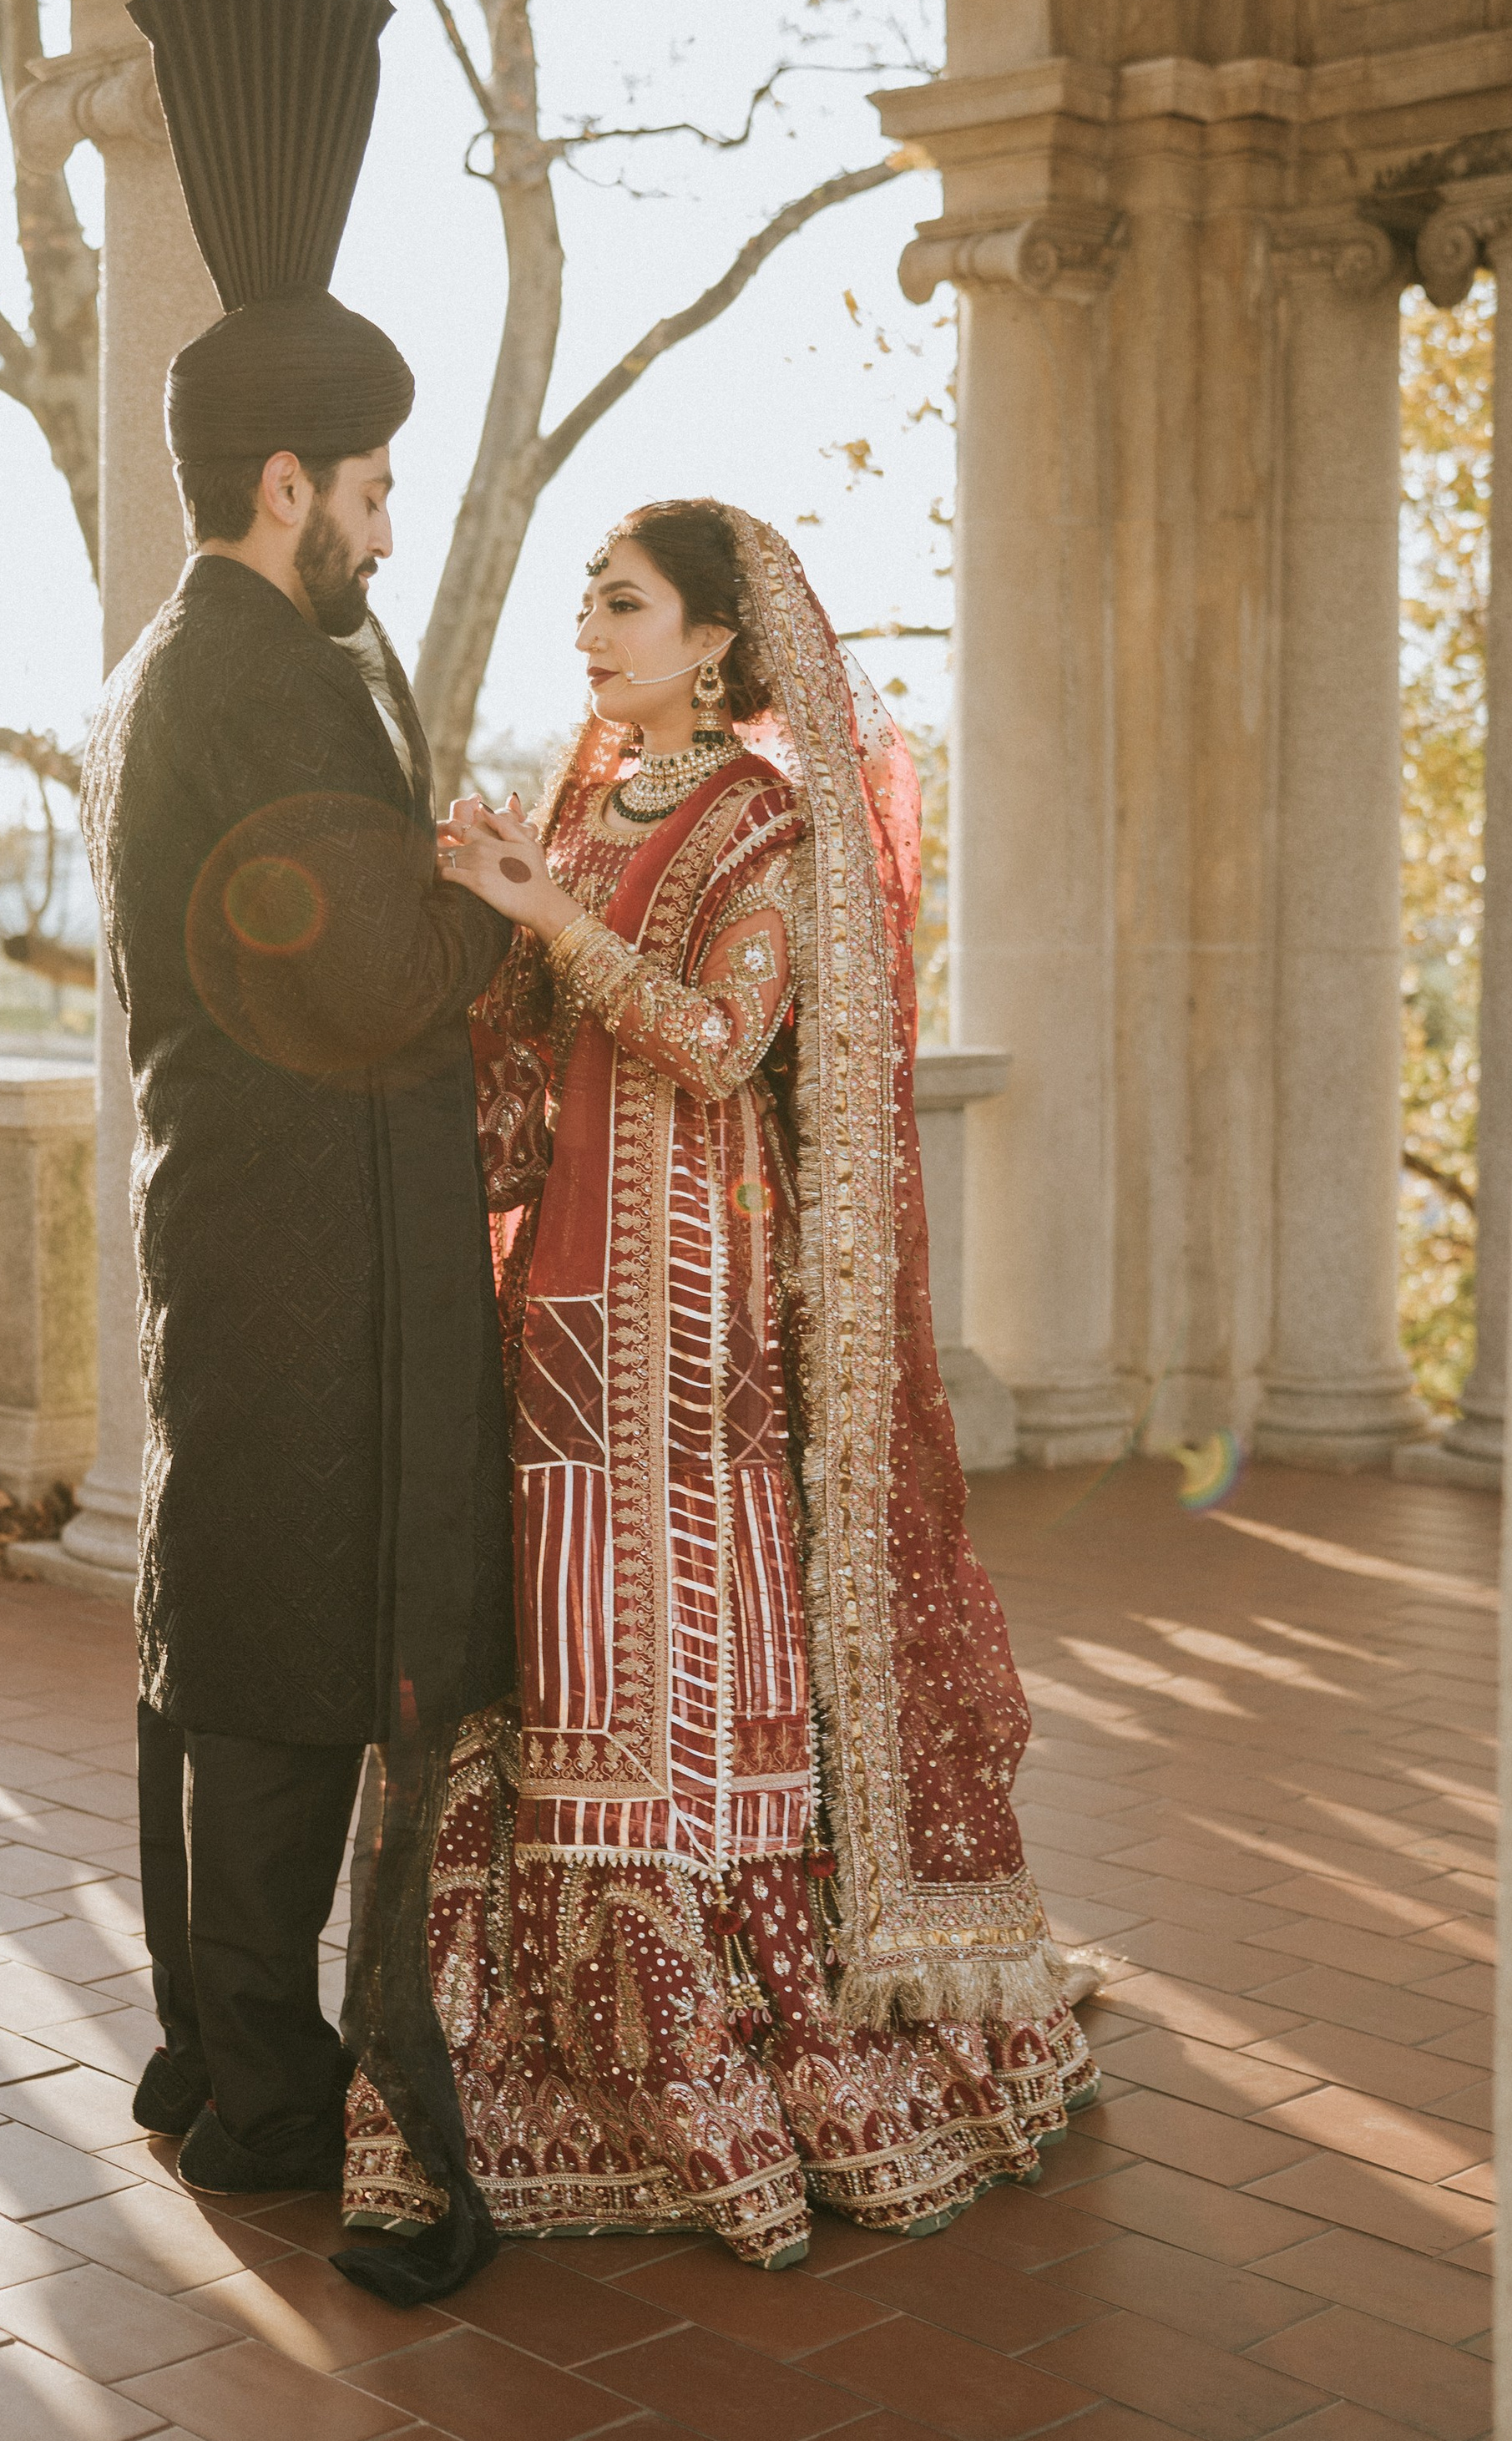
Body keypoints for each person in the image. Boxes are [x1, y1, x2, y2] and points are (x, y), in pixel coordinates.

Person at [344, 499, 1096, 2267]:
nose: (589, 636)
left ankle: (710, 2034)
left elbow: (717, 1043)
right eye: (585, 608)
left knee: (674, 1619)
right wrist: (474, 935)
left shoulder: (761, 818)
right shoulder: (576, 799)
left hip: (693, 1275)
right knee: (558, 1618)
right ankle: (552, 2040)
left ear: (711, 642)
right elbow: (532, 1059)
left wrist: (550, 919)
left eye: (621, 607)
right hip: (564, 1279)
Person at [83, 0, 514, 2302]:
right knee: (262, 1654)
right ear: (288, 487)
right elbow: (355, 975)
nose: (383, 516)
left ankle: (217, 2047)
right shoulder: (246, 674)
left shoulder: (242, 661)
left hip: (270, 1226)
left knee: (240, 1627)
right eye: (367, 485)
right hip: (280, 1234)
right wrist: (505, 907)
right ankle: (259, 2089)